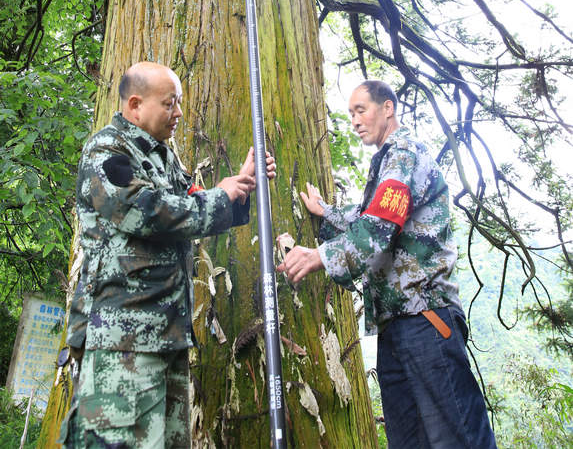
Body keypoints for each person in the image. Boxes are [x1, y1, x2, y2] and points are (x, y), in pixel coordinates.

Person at [60, 61, 275, 448]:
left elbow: (189, 204)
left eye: (179, 103)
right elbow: (145, 211)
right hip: (122, 343)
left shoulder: (162, 156)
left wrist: (238, 190)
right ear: (136, 105)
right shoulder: (107, 150)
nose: (178, 113)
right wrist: (220, 198)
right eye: (170, 103)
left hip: (168, 337)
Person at [277, 79, 497, 449]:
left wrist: (318, 257)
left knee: (457, 438)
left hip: (426, 319)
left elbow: (381, 223)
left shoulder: (405, 153)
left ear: (388, 109)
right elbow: (368, 216)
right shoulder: (387, 164)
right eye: (350, 115)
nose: (355, 121)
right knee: (408, 441)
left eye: (361, 110)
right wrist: (325, 213)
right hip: (396, 326)